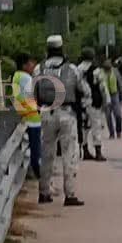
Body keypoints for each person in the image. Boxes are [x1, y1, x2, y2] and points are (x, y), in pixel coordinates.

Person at [33, 35, 85, 207]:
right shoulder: (72, 69)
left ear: (47, 49)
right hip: (67, 113)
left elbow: (33, 93)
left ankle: (44, 193)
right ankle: (69, 195)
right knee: (69, 154)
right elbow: (82, 89)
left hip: (46, 113)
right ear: (62, 48)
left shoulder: (38, 69)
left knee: (47, 154)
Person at [11, 53, 41, 180]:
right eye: (30, 63)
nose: (33, 65)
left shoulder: (16, 76)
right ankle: (38, 173)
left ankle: (31, 171)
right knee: (36, 148)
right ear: (24, 65)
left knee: (28, 147)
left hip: (23, 116)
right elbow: (32, 96)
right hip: (33, 117)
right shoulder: (27, 78)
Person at [78, 48, 110, 162]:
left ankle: (85, 150)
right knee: (96, 126)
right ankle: (98, 152)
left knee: (84, 127)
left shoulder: (77, 69)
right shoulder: (96, 70)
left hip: (81, 102)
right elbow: (102, 87)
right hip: (93, 102)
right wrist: (106, 101)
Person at [102, 58, 122, 138]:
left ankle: (118, 131)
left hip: (114, 95)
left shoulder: (115, 71)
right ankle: (111, 133)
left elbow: (120, 84)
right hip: (105, 96)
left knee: (118, 114)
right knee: (108, 116)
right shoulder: (101, 73)